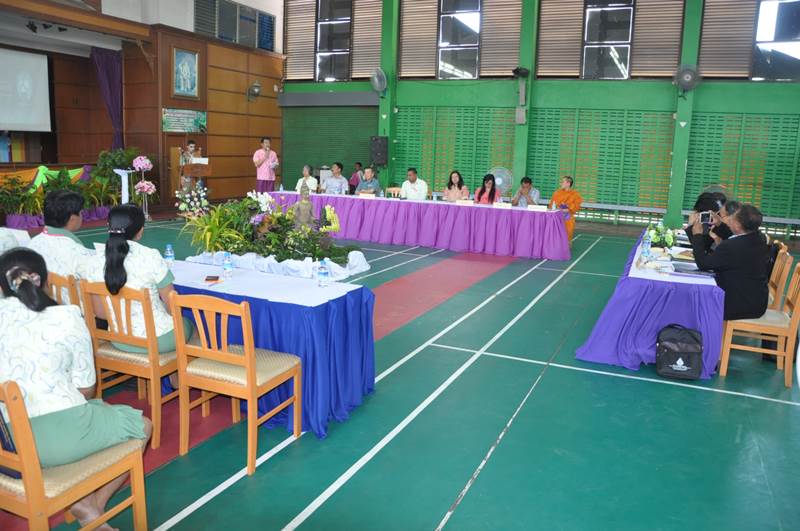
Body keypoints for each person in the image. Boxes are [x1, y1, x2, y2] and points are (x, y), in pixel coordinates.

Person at [0, 247, 151, 530]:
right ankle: (94, 509)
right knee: (142, 425)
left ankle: (83, 504)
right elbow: (86, 389)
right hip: (60, 437)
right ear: (44, 280)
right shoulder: (67, 316)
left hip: (9, 442)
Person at [84, 204, 194, 354]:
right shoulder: (150, 256)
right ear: (141, 230)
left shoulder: (93, 261)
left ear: (108, 226)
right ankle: (191, 368)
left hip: (119, 340)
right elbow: (172, 304)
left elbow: (101, 313)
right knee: (190, 325)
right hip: (157, 340)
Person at [688, 203, 770, 320]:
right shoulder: (758, 238)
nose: (730, 219)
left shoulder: (732, 246)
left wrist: (697, 236)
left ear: (737, 225)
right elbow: (733, 235)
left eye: (733, 217)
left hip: (739, 305)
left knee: (693, 298)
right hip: (756, 301)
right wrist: (719, 224)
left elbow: (704, 264)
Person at [28, 190, 94, 304]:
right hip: (75, 308)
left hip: (44, 303)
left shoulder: (32, 244)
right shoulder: (76, 252)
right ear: (72, 218)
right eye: (81, 212)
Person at [549, 176, 583, 242]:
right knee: (555, 238)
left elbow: (576, 207)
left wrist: (566, 209)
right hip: (557, 219)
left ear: (568, 183)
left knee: (567, 239)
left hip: (568, 220)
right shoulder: (557, 193)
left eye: (562, 182)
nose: (561, 183)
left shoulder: (575, 194)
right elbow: (551, 206)